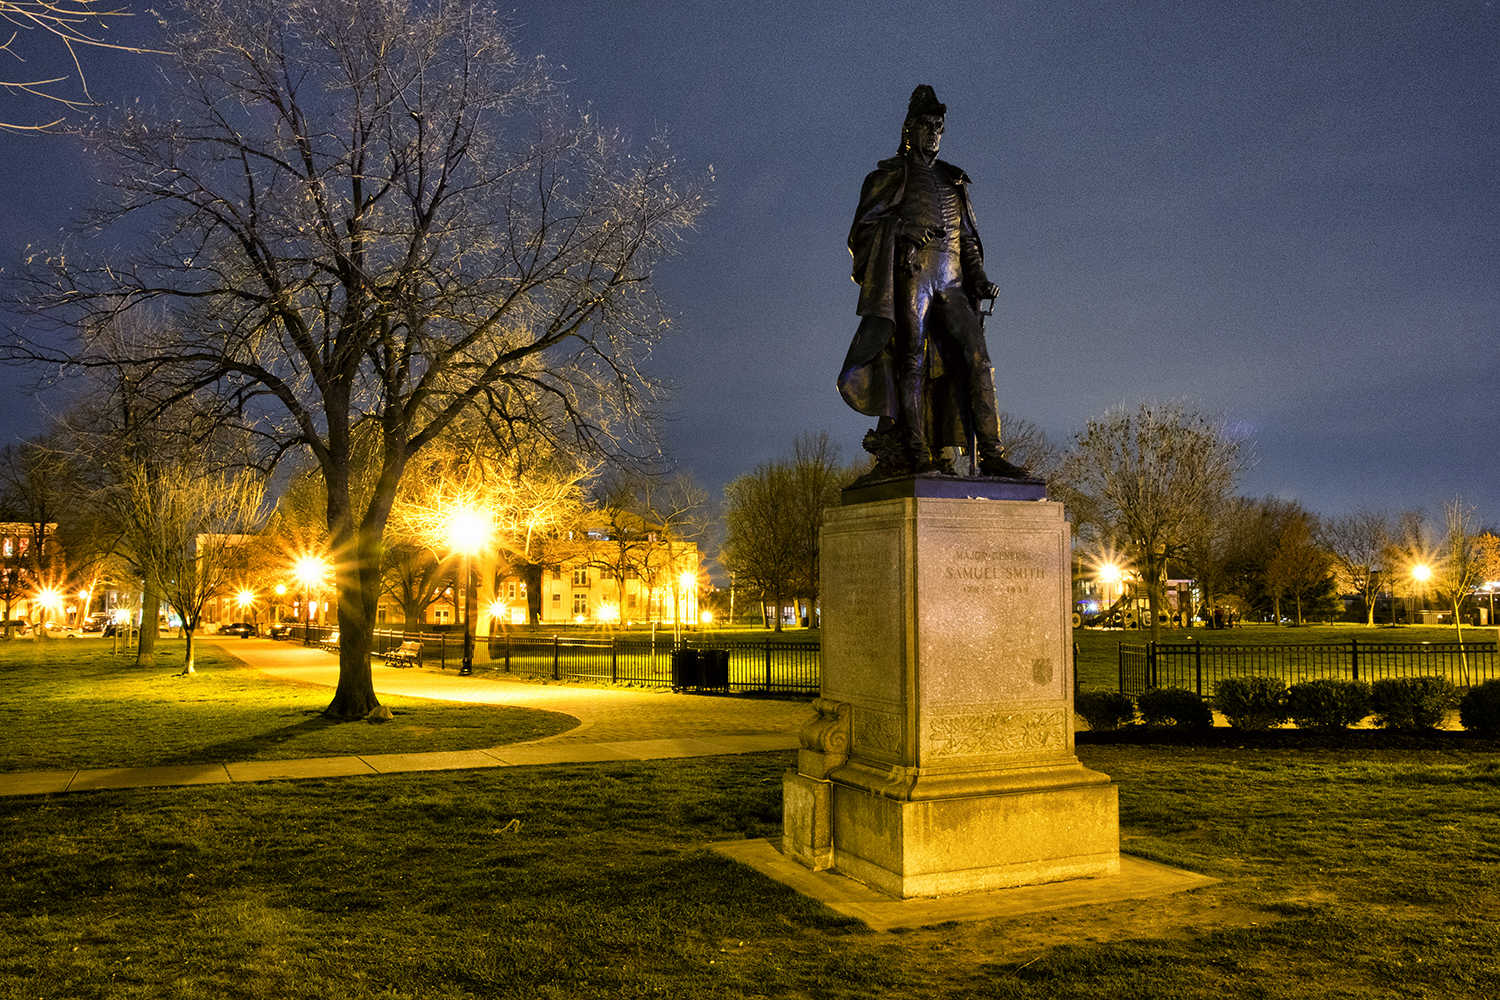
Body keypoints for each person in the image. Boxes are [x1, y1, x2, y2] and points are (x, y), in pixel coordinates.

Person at [839, 85, 1031, 480]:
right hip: (913, 276)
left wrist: (977, 277)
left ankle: (993, 455)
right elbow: (862, 231)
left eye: (939, 127)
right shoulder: (889, 175)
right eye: (926, 125)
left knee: (979, 360)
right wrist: (901, 228)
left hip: (953, 283)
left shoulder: (953, 179)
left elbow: (968, 239)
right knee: (911, 361)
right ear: (909, 129)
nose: (934, 133)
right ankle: (916, 452)